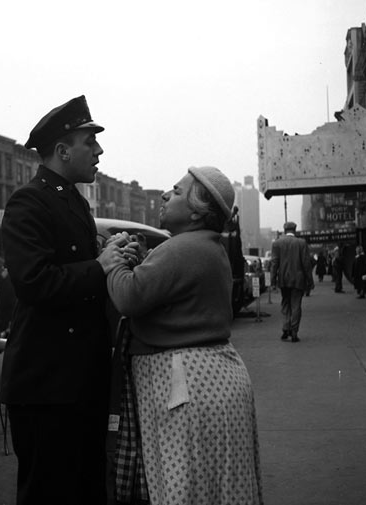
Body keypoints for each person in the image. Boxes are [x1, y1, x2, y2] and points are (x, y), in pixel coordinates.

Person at [0, 95, 133, 505]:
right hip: (47, 387)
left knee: (85, 487)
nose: (99, 151)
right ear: (62, 151)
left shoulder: (73, 200)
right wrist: (101, 265)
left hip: (79, 382)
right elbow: (34, 282)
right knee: (49, 493)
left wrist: (114, 255)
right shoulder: (29, 202)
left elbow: (77, 268)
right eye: (89, 142)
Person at [106, 166, 263, 505]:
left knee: (186, 484)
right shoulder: (203, 246)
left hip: (185, 385)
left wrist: (111, 263)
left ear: (196, 211)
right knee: (214, 484)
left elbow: (128, 297)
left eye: (176, 191)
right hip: (209, 379)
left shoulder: (182, 248)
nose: (165, 195)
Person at [271, 221, 314, 342]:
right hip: (298, 280)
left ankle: (285, 328)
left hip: (284, 280)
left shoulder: (277, 243)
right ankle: (294, 331)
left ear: (285, 231)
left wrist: (273, 281)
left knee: (285, 303)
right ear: (295, 230)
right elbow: (306, 263)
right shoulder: (301, 243)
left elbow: (274, 263)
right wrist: (310, 281)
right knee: (296, 306)